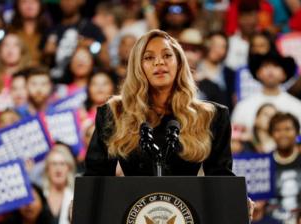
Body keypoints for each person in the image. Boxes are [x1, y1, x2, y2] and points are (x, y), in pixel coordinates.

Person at [84, 29, 234, 177]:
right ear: (137, 67)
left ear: (179, 64)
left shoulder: (210, 116)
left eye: (167, 55)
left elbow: (221, 180)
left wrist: (238, 198)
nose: (159, 62)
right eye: (149, 57)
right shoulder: (114, 113)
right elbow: (95, 178)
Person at [42, 143, 76, 224]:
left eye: (62, 164)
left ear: (69, 168)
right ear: (47, 169)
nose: (58, 169)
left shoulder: (76, 196)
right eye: (54, 164)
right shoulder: (39, 197)